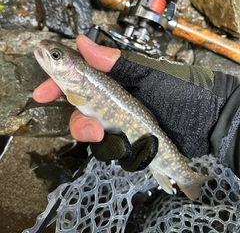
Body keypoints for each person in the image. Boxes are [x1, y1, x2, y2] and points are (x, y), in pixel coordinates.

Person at [33, 35, 240, 178]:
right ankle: (186, 178)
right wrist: (224, 112)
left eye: (56, 56)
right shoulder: (76, 86)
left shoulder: (76, 90)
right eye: (56, 56)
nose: (49, 54)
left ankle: (188, 179)